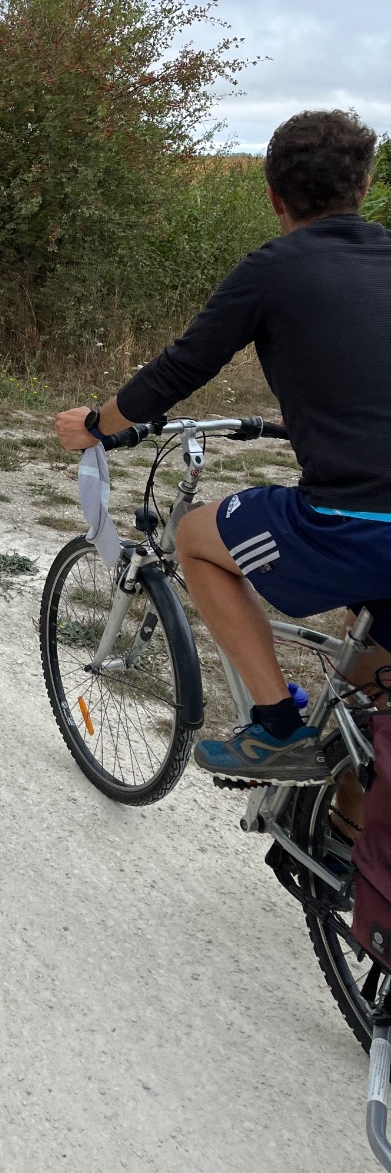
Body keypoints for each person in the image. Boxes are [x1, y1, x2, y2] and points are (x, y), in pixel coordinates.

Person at [55, 109, 391, 787]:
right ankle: (343, 846)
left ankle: (275, 728)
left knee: (198, 535)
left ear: (273, 196)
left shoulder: (273, 269)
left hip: (356, 522)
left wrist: (96, 423)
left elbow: (179, 371)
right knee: (369, 700)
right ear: (365, 185)